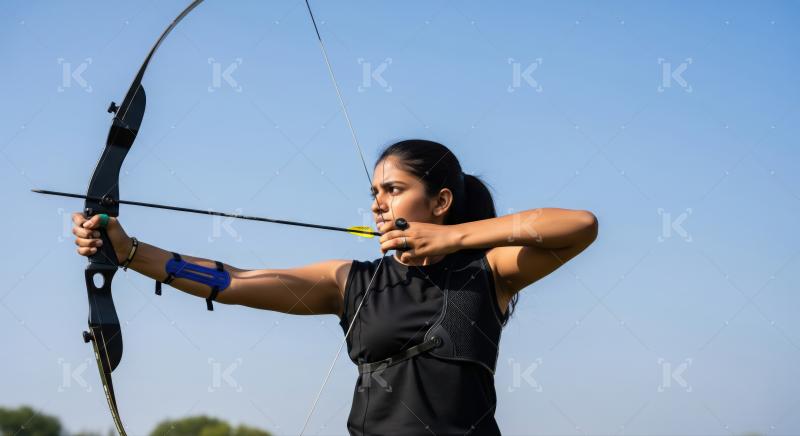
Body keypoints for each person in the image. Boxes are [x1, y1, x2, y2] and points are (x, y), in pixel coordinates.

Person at [72, 139, 598, 435]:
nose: (378, 204)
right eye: (374, 192)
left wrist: (453, 238)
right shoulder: (352, 281)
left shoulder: (488, 274)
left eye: (394, 190)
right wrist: (132, 253)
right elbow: (231, 281)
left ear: (439, 201)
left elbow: (579, 226)